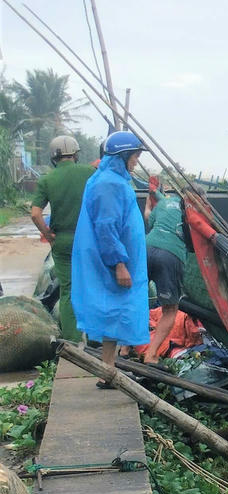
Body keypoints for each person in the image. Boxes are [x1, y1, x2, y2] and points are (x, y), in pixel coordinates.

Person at [71, 131, 150, 367]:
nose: (136, 160)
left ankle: (108, 367)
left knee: (113, 314)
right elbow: (106, 226)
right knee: (115, 311)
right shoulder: (109, 184)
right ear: (122, 156)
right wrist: (119, 264)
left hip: (118, 260)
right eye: (134, 156)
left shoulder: (109, 180)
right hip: (116, 262)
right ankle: (108, 368)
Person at [30, 135, 95, 341]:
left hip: (63, 241)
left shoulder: (47, 180)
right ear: (76, 154)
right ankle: (95, 337)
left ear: (53, 157)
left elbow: (35, 213)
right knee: (92, 285)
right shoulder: (90, 173)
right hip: (88, 240)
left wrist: (48, 234)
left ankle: (72, 342)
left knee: (68, 291)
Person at [142, 186, 187, 364]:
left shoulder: (163, 203)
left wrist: (147, 204)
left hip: (146, 247)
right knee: (170, 309)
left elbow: (149, 220)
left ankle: (125, 348)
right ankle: (151, 354)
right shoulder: (191, 208)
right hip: (171, 254)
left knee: (137, 299)